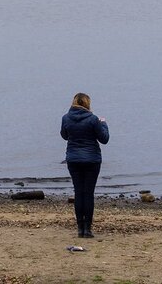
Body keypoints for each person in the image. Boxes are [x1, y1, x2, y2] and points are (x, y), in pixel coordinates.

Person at [61, 92, 109, 238]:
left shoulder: (66, 118)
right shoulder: (94, 119)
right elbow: (104, 139)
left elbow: (64, 135)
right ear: (87, 104)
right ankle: (87, 229)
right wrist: (104, 124)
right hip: (91, 160)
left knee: (78, 192)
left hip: (74, 160)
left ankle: (80, 228)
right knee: (88, 193)